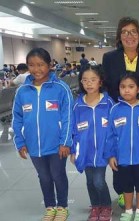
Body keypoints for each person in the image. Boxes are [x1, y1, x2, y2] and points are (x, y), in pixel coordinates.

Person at [102, 16, 139, 208]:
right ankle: (122, 191)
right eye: (125, 32)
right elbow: (108, 87)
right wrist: (115, 110)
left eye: (133, 31)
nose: (129, 36)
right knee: (120, 153)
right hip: (119, 112)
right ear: (119, 36)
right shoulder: (109, 58)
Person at [12, 48, 73, 221]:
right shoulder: (22, 91)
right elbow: (17, 119)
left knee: (58, 175)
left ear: (50, 65)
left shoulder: (61, 88)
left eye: (40, 65)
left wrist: (65, 142)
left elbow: (68, 116)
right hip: (33, 145)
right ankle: (50, 207)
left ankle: (62, 206)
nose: (36, 69)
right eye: (32, 65)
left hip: (56, 145)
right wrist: (20, 141)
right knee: (44, 177)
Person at [104, 73, 139, 221]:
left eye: (131, 87)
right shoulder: (115, 109)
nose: (126, 90)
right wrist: (111, 155)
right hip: (122, 158)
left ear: (138, 89)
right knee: (126, 186)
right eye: (123, 87)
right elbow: (110, 135)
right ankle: (128, 210)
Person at [71, 64, 114, 221]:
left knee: (99, 181)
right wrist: (73, 151)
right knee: (90, 181)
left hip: (103, 151)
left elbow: (114, 130)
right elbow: (73, 129)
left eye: (93, 80)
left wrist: (112, 151)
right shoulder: (78, 105)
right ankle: (95, 206)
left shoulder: (108, 103)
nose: (89, 83)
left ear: (100, 82)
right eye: (85, 80)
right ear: (81, 82)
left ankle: (107, 206)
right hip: (85, 151)